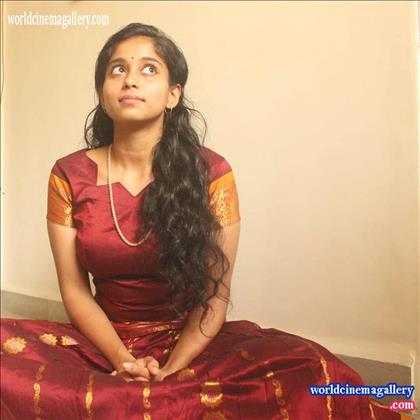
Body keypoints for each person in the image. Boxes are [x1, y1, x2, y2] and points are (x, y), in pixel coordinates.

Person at [1, 22, 411, 420]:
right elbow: (75, 291)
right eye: (118, 69)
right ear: (103, 95)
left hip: (192, 341)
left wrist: (170, 372)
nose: (131, 80)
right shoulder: (68, 174)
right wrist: (124, 361)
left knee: (314, 372)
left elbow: (215, 296)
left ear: (173, 94)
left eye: (149, 69)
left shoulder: (212, 173)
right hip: (103, 341)